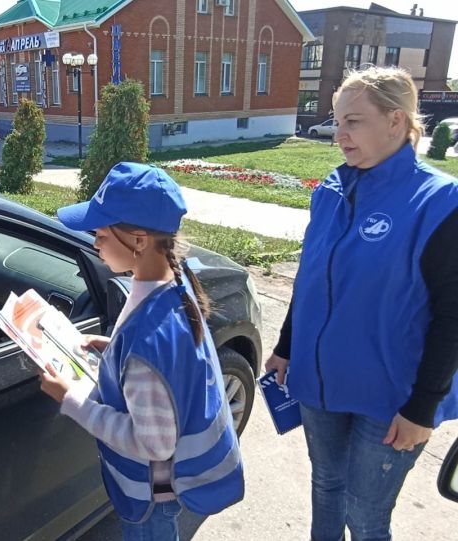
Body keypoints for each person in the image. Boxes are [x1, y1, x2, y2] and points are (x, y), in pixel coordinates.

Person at [265, 66, 458, 541]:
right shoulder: (331, 190)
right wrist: (287, 345)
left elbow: (454, 316)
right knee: (326, 485)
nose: (338, 135)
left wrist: (422, 409)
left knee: (366, 514)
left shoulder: (439, 202)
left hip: (391, 398)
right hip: (318, 383)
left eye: (353, 121)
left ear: (396, 122)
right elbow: (311, 278)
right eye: (336, 121)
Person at [39, 162, 244, 540]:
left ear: (138, 240)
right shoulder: (172, 279)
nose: (94, 242)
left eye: (100, 233)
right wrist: (113, 349)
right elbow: (165, 365)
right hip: (163, 487)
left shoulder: (147, 343)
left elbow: (152, 443)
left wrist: (72, 400)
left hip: (150, 500)